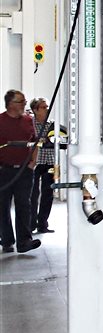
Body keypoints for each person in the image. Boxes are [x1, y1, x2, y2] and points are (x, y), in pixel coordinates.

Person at [0, 89, 40, 254]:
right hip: (4, 170)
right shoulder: (0, 121)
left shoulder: (28, 120)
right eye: (21, 101)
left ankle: (24, 241)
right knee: (3, 205)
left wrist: (33, 162)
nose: (24, 104)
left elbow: (35, 141)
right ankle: (7, 240)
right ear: (11, 104)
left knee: (24, 204)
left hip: (24, 170)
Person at [29, 98, 57, 234]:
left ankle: (43, 224)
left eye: (47, 107)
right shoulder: (30, 124)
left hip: (50, 161)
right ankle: (31, 223)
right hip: (35, 163)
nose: (47, 109)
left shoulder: (51, 124)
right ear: (35, 110)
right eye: (43, 107)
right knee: (32, 194)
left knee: (48, 194)